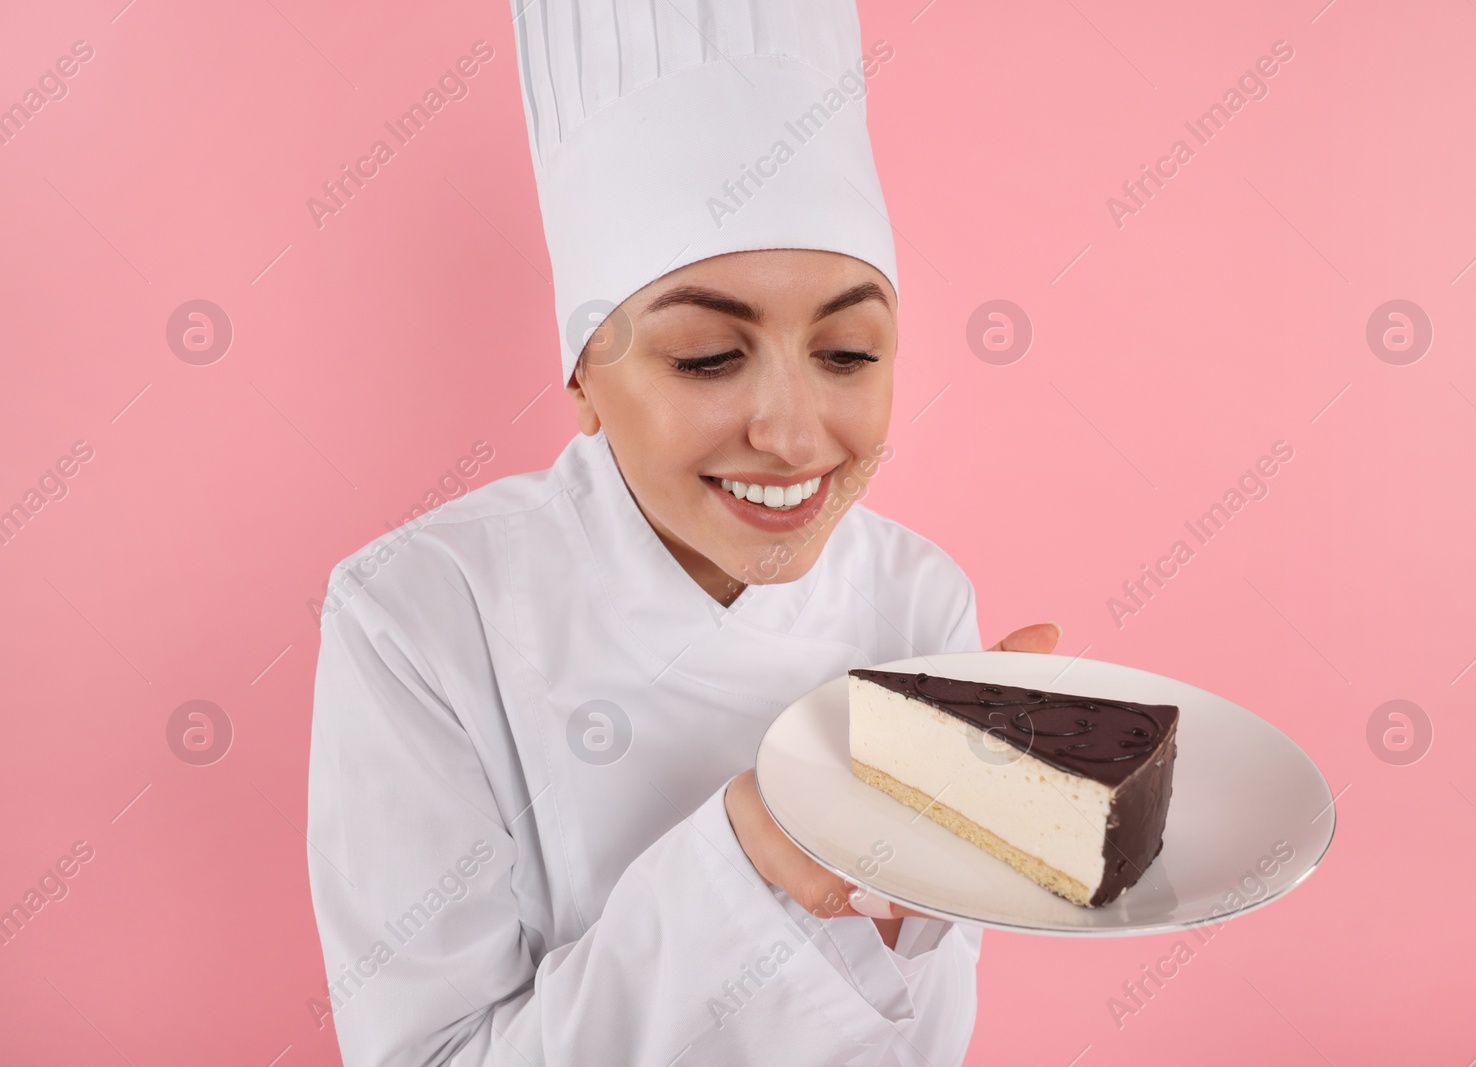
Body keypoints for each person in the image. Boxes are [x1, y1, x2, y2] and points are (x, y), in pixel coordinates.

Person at [305, 1, 1058, 1063]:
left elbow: (921, 1039)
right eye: (707, 356)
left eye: (847, 352)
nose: (793, 434)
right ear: (582, 378)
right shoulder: (420, 617)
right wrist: (747, 854)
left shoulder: (918, 599)